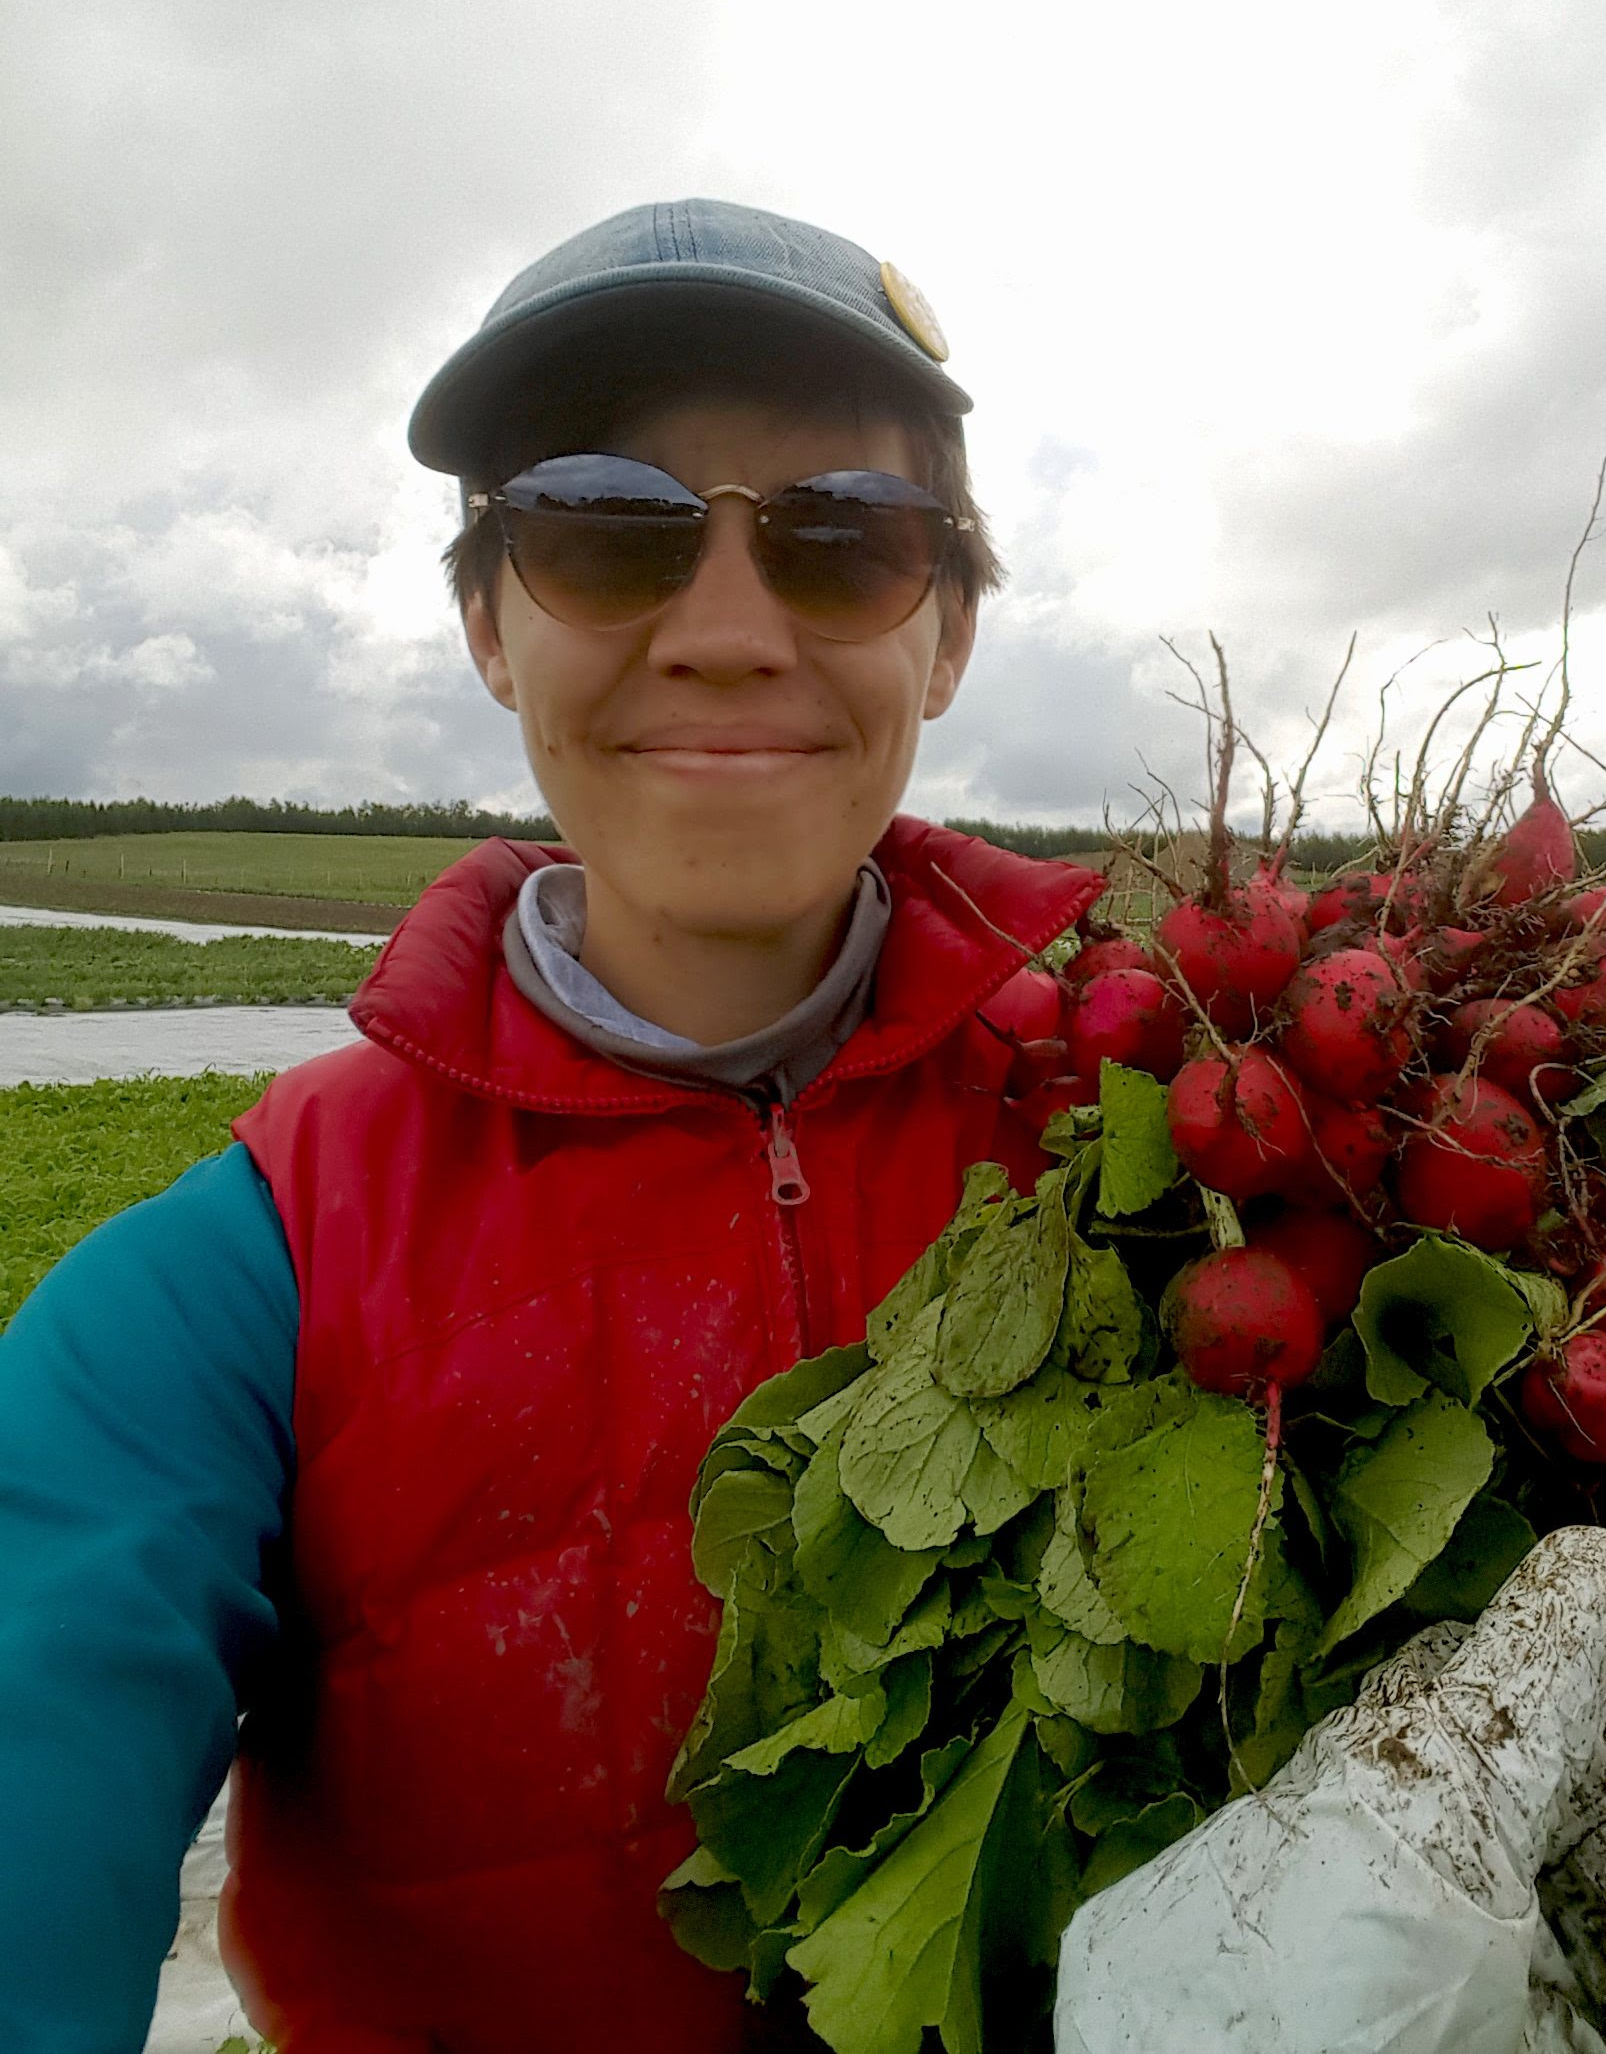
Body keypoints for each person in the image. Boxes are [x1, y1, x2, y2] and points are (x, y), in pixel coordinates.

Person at [0, 197, 1102, 2053]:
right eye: (606, 530)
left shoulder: (1161, 1142)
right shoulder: (252, 1264)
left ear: (955, 633)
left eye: (845, 540)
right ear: (488, 628)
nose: (731, 634)